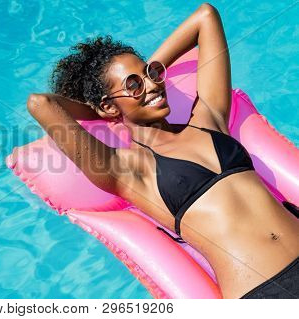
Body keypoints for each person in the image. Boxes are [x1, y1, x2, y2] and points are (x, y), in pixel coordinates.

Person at [26, 3, 299, 299]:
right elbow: (42, 104)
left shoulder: (208, 119)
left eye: (152, 74)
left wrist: (144, 79)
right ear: (106, 104)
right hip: (264, 294)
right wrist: (107, 110)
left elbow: (205, 16)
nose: (153, 86)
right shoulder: (128, 172)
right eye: (133, 84)